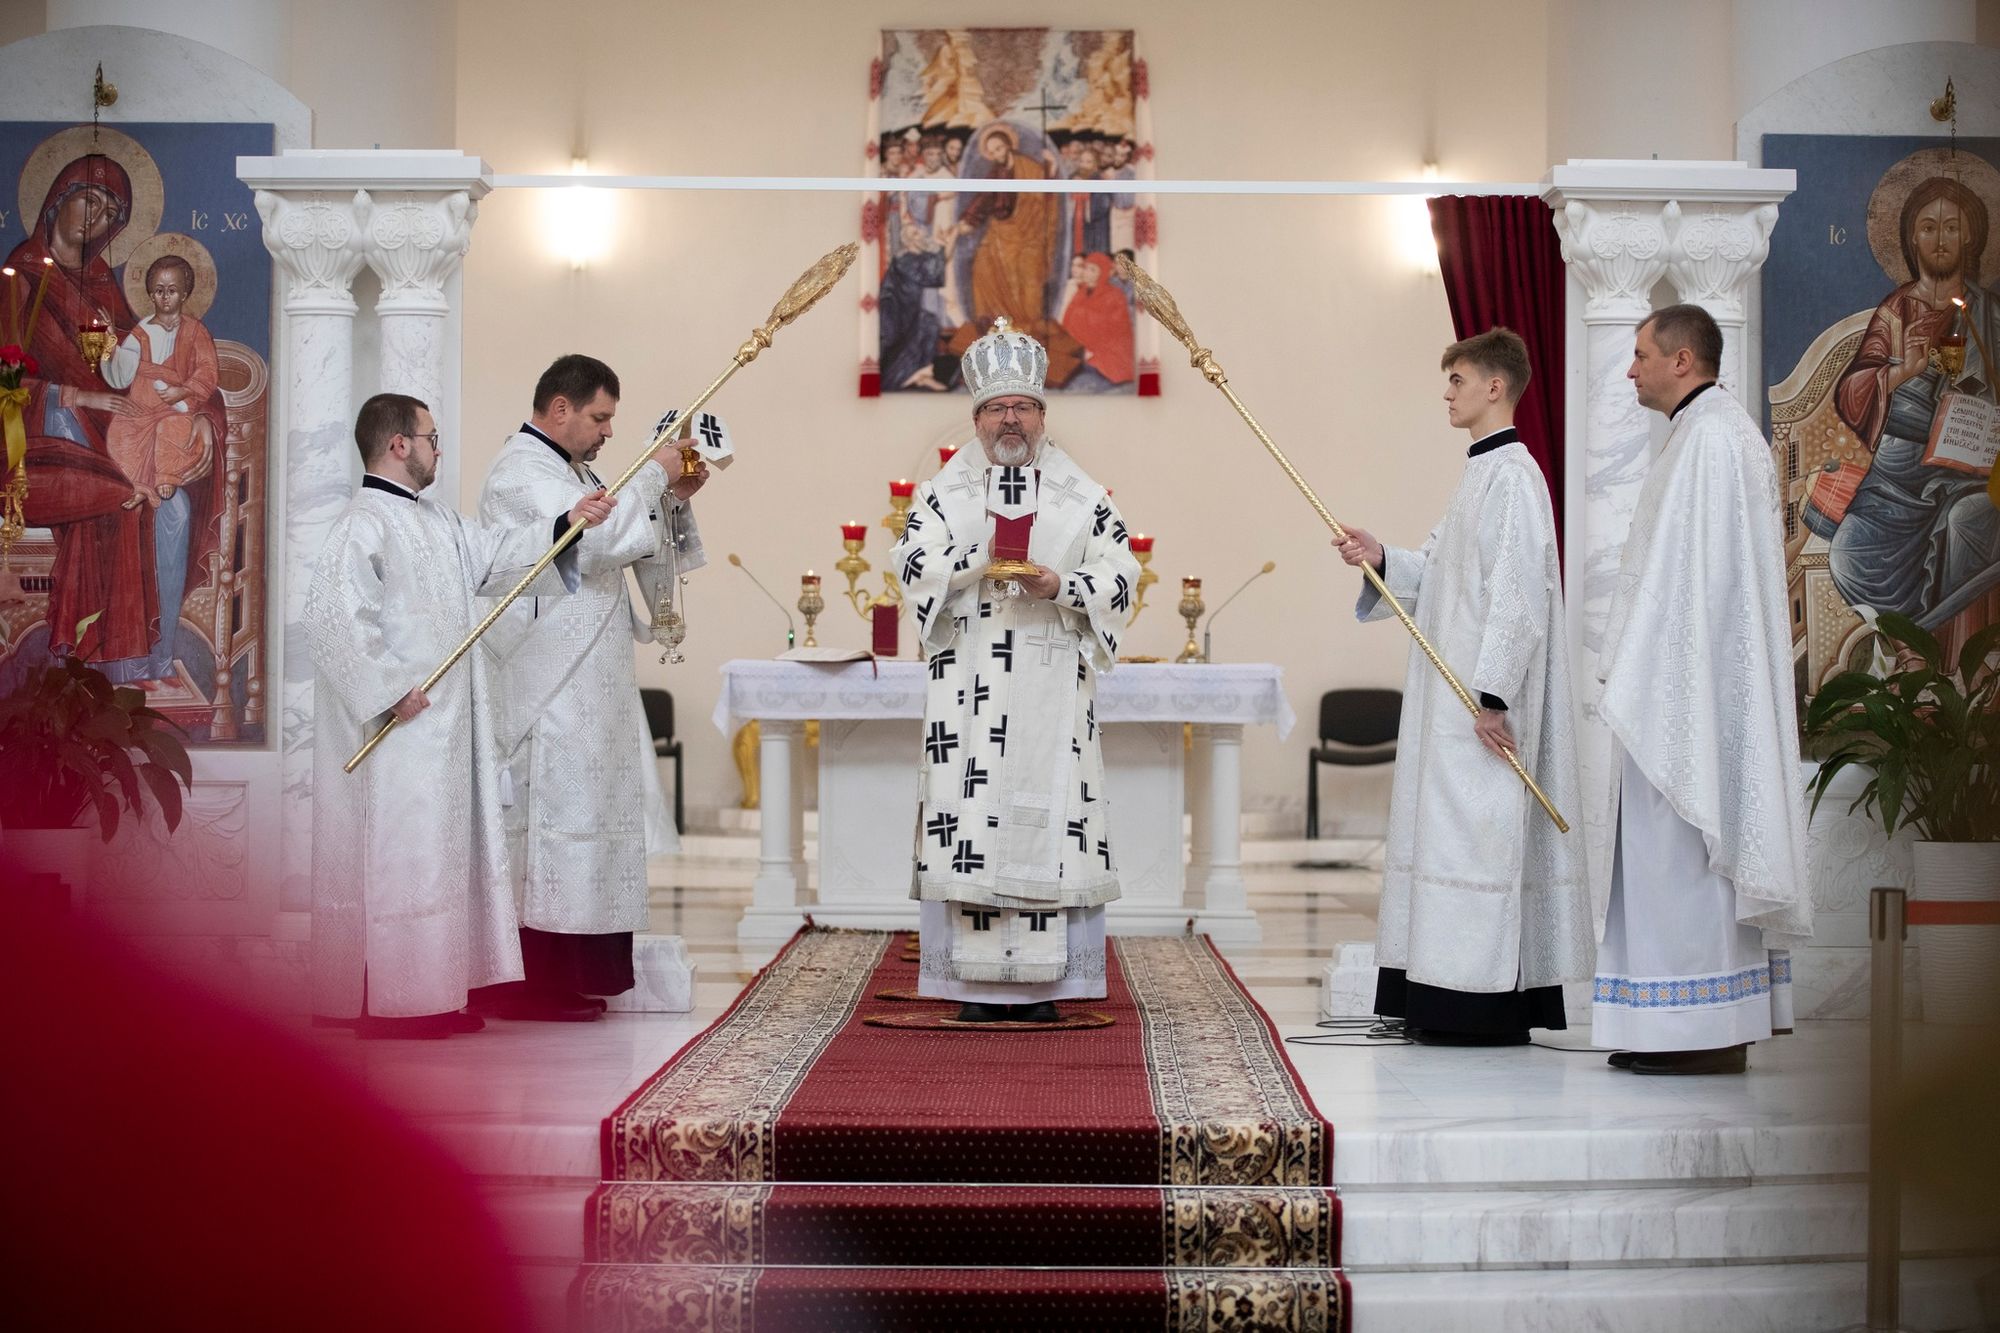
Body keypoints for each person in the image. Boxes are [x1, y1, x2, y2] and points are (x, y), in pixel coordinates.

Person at [304, 392, 615, 1039]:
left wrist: (568, 520)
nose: (438, 449)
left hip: (444, 734)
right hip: (396, 733)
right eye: (430, 437)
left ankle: (433, 991)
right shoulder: (362, 525)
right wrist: (389, 688)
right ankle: (392, 1002)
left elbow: (502, 553)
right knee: (399, 860)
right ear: (398, 444)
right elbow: (335, 622)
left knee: (441, 861)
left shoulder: (439, 522)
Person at [1334, 329, 1592, 1046]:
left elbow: (1516, 597)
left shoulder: (1514, 477)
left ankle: (1479, 1004)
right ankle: (1437, 996)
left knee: (1480, 847)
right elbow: (1444, 576)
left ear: (1495, 388)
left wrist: (1495, 697)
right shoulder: (1481, 473)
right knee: (1449, 845)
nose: (1447, 392)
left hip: (1478, 711)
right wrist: (1382, 556)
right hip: (1451, 709)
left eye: (1458, 379)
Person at [890, 317, 1140, 1023]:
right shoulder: (942, 492)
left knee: (1051, 821)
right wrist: (976, 566)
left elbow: (1122, 572)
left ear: (1041, 414)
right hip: (967, 690)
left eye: (1022, 406)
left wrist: (1061, 585)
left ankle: (1052, 985)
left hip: (1051, 687)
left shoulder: (1081, 493)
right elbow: (910, 563)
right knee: (973, 822)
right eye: (997, 407)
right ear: (976, 418)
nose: (1010, 418)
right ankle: (969, 987)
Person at [1592, 304, 1813, 1075]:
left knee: (1686, 854)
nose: (1631, 369)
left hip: (1690, 687)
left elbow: (1692, 584)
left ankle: (1700, 1029)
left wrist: (1647, 666)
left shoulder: (1712, 439)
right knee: (1671, 859)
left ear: (1682, 360)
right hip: (1686, 677)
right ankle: (1680, 1026)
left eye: (1641, 354)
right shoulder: (1706, 433)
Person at [474, 354, 707, 1021]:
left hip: (587, 676)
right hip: (548, 682)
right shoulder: (522, 472)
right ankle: (535, 982)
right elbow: (590, 541)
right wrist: (654, 474)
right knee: (554, 824)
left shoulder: (574, 470)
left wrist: (671, 493)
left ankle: (574, 975)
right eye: (600, 417)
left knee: (586, 820)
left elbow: (635, 536)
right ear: (560, 409)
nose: (607, 430)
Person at [1829, 175, 2000, 666]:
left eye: (1951, 226)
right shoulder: (1897, 311)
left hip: (1963, 473)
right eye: (1928, 227)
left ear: (1970, 236)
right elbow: (1851, 391)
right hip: (1895, 479)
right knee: (1847, 551)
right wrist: (1903, 371)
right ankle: (1910, 652)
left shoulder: (1987, 315)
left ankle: (1961, 663)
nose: (1940, 238)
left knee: (1971, 521)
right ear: (1911, 239)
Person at [4, 153, 153, 671]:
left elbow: (137, 362)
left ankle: (99, 650)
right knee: (118, 493)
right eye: (88, 200)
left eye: (111, 213)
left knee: (135, 491)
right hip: (29, 436)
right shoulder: (19, 277)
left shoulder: (103, 286)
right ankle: (86, 646)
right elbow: (5, 380)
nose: (96, 218)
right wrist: (76, 396)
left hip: (101, 425)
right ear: (58, 200)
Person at [100, 253, 226, 687]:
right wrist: (106, 349)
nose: (165, 297)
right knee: (131, 440)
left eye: (172, 289)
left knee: (175, 433)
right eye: (157, 289)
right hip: (137, 418)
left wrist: (189, 399)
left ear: (186, 292)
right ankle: (125, 665)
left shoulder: (195, 332)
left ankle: (161, 658)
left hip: (173, 413)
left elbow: (207, 375)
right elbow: (118, 375)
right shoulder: (139, 334)